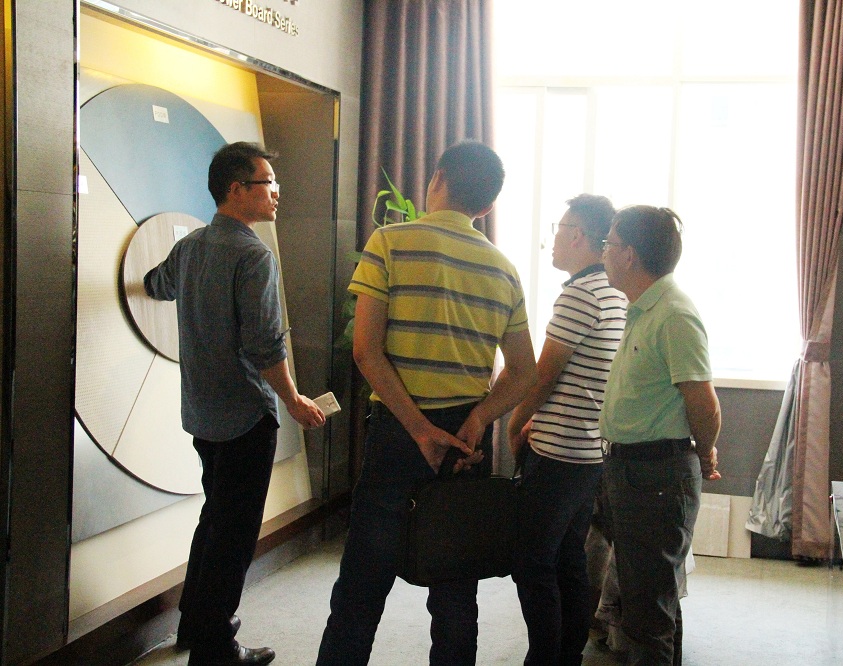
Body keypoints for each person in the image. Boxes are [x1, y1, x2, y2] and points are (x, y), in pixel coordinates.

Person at [316, 141, 537, 666]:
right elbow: (524, 372)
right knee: (455, 578)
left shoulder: (390, 242)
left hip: (399, 428)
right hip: (464, 438)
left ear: (437, 179)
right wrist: (478, 418)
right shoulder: (503, 268)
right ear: (487, 205)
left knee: (362, 581)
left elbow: (366, 351)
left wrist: (417, 428)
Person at [144, 141, 326, 666]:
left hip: (202, 413)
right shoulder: (253, 255)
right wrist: (293, 400)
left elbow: (156, 285)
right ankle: (215, 647)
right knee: (235, 534)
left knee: (215, 517)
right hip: (246, 415)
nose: (276, 193)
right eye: (268, 183)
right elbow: (265, 345)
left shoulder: (190, 247)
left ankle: (195, 621)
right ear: (236, 189)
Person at [598, 205, 721, 665]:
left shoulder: (673, 314)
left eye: (609, 244)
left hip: (655, 474)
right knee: (649, 600)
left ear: (629, 254)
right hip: (633, 470)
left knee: (648, 612)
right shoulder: (642, 309)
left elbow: (704, 402)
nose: (604, 253)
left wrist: (705, 452)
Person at [507, 194, 627, 665]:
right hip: (590, 449)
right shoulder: (613, 291)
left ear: (578, 235)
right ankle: (565, 655)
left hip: (559, 450)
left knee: (532, 561)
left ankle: (545, 658)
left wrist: (516, 421)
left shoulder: (580, 294)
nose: (553, 240)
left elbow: (544, 374)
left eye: (559, 229)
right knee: (567, 559)